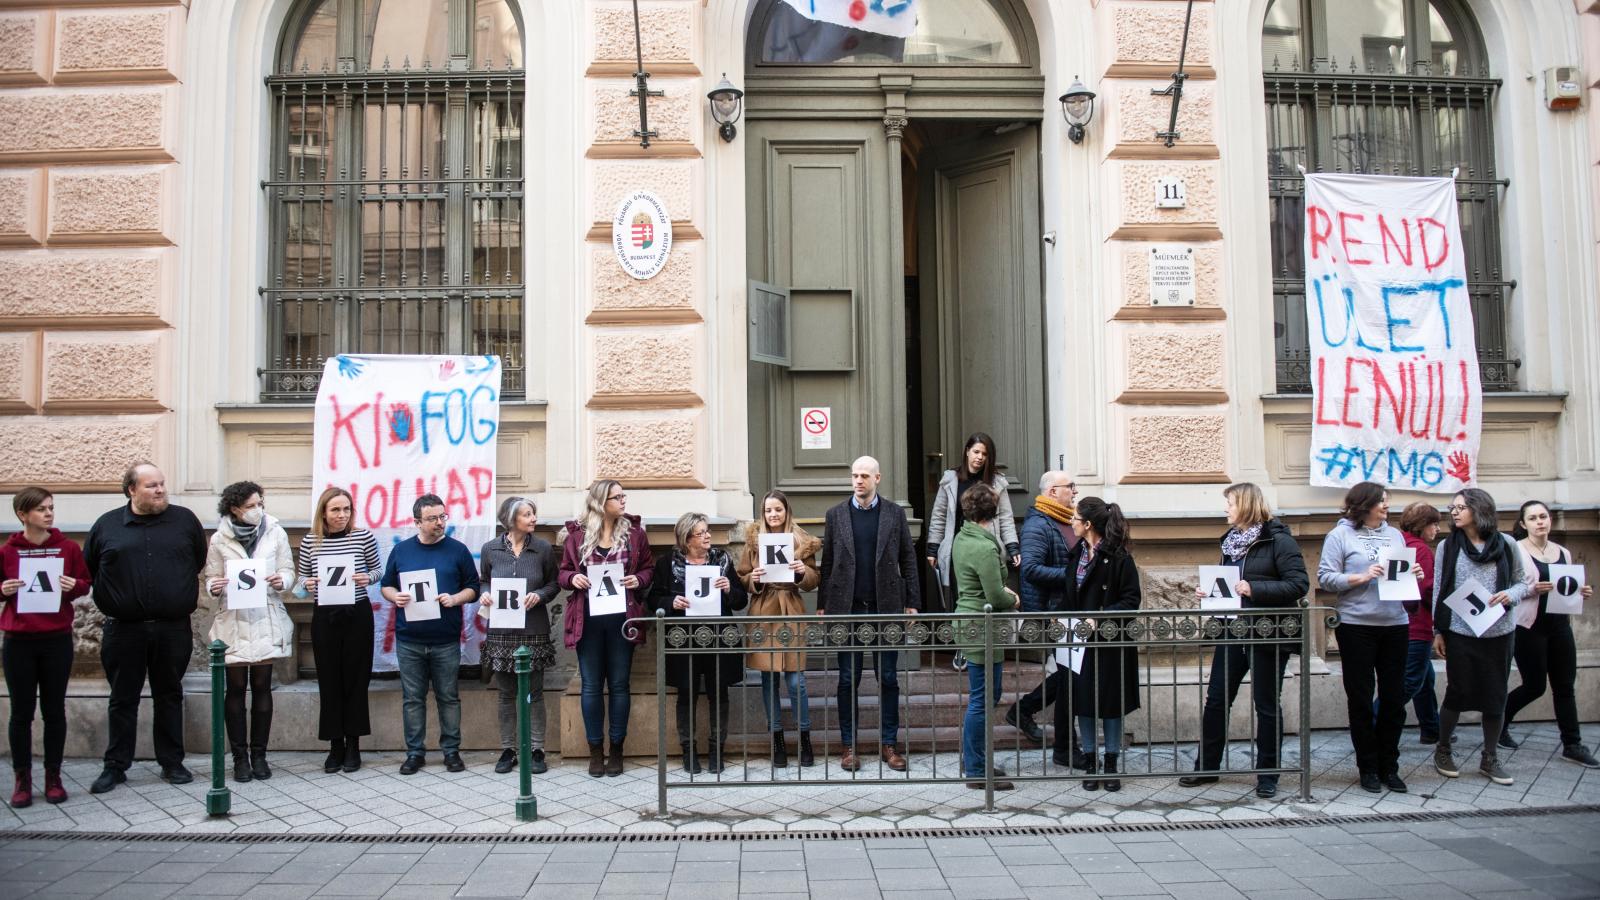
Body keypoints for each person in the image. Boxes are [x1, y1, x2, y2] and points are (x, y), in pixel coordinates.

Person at [1178, 483, 1309, 799]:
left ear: (1247, 505)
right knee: (1217, 700)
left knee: (1265, 704)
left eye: (1230, 503)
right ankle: (1207, 768)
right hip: (1231, 631)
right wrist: (1209, 592)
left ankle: (1268, 774)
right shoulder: (1230, 543)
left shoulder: (1279, 540)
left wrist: (1256, 590)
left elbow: (1299, 584)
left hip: (1266, 634)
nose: (1225, 508)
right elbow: (1230, 587)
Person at [83, 462, 207, 793]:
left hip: (172, 627)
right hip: (125, 629)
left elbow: (198, 559)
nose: (160, 489)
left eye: (162, 483)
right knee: (123, 698)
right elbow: (92, 566)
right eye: (151, 485)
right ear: (131, 490)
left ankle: (172, 763)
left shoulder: (184, 521)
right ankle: (116, 766)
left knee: (169, 694)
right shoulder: (107, 525)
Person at [819, 456, 920, 772]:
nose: (858, 481)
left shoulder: (894, 513)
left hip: (886, 607)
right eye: (854, 475)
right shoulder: (836, 515)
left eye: (864, 476)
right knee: (847, 679)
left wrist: (912, 602)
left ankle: (889, 744)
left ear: (878, 478)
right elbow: (828, 563)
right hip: (847, 609)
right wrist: (823, 604)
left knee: (888, 678)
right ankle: (848, 746)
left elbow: (908, 558)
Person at [1431, 488, 1530, 786]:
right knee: (1457, 692)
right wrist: (1439, 631)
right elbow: (1439, 589)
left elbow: (1522, 583)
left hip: (1499, 632)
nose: (1454, 512)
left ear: (1479, 509)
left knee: (1495, 694)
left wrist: (1509, 595)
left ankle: (1489, 757)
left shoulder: (1507, 544)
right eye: (1453, 507)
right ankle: (1443, 748)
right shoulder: (1448, 547)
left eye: (1461, 507)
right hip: (1461, 632)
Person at [1, 488, 91, 806]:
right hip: (18, 641)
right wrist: (3, 589)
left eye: (51, 508)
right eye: (41, 509)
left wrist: (74, 585)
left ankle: (53, 776)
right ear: (23, 515)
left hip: (56, 639)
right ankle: (22, 779)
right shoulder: (8, 551)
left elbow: (84, 582)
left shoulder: (66, 548)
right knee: (21, 713)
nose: (49, 513)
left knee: (54, 711)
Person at [1318, 481, 1410, 794]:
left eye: (1387, 502)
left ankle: (1390, 766)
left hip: (1395, 623)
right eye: (1381, 502)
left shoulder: (1395, 534)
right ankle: (1368, 768)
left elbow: (1401, 574)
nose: (1386, 506)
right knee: (1360, 699)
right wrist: (1361, 576)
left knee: (1394, 700)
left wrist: (1415, 575)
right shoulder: (1339, 535)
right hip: (1356, 625)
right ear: (1364, 503)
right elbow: (1326, 578)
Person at [559, 479, 654, 778]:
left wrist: (638, 580)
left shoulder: (635, 533)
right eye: (617, 497)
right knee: (590, 685)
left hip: (621, 619)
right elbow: (562, 572)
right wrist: (572, 578)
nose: (623, 501)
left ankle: (617, 749)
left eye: (624, 496)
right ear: (601, 502)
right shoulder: (576, 536)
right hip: (588, 618)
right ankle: (595, 750)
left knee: (619, 685)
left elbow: (648, 569)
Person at [202, 481, 295, 783]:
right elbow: (212, 576)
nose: (258, 509)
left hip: (265, 616)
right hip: (234, 619)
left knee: (263, 687)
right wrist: (213, 586)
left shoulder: (275, 532)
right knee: (236, 689)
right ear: (235, 509)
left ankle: (260, 755)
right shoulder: (219, 539)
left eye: (260, 503)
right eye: (252, 505)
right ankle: (239, 757)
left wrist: (282, 580)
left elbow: (288, 570)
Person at [379, 493, 479, 775]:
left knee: (448, 696)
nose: (439, 523)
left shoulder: (458, 550)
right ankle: (414, 753)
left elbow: (473, 587)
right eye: (432, 518)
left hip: (445, 639)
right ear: (417, 522)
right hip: (409, 639)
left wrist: (455, 599)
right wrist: (394, 596)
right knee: (413, 698)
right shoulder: (401, 551)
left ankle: (451, 752)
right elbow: (386, 585)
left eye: (442, 516)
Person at [649, 513, 749, 774]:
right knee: (686, 693)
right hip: (683, 639)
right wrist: (671, 602)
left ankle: (717, 750)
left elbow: (740, 601)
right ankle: (688, 751)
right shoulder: (667, 564)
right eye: (701, 532)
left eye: (707, 531)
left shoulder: (722, 560)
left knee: (719, 693)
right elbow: (653, 599)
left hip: (719, 637)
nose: (707, 536)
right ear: (686, 538)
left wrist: (729, 588)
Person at [1503, 500, 1597, 767]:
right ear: (1523, 524)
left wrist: (1581, 591)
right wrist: (1533, 590)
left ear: (1550, 520)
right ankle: (1499, 722)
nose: (1540, 522)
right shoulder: (1516, 551)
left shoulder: (1563, 552)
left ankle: (1572, 744)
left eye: (1543, 516)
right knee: (1534, 686)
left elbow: (1566, 587)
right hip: (1529, 627)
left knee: (1565, 686)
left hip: (1559, 626)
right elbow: (1507, 589)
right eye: (1533, 518)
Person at [1057, 496, 1140, 792]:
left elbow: (1131, 600)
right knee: (1084, 703)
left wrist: (1100, 617)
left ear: (1088, 524)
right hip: (1079, 641)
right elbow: (1069, 596)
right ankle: (1091, 761)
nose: (1071, 522)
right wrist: (1058, 619)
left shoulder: (1118, 557)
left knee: (1111, 704)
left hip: (1109, 642)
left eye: (1075, 519)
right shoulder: (1075, 553)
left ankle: (1111, 764)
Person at [1005, 470, 1086, 769]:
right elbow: (1032, 570)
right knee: (1070, 678)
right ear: (1053, 491)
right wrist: (1074, 576)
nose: (1074, 492)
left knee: (1069, 675)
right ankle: (1065, 746)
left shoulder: (1065, 519)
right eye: (1070, 487)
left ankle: (1024, 711)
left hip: (1068, 611)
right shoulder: (1039, 524)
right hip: (1052, 613)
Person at [297, 486, 381, 773]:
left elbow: (378, 570)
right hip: (325, 616)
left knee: (356, 681)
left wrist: (366, 578)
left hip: (357, 614)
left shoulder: (363, 537)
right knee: (329, 681)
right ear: (323, 512)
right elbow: (301, 580)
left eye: (346, 509)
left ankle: (354, 746)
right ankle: (335, 746)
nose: (342, 515)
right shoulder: (311, 541)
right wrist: (306, 584)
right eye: (335, 509)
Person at [736, 490, 819, 768]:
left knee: (797, 682)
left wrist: (800, 572)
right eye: (768, 510)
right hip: (763, 611)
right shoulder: (753, 542)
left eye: (778, 510)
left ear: (786, 511)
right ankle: (777, 740)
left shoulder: (801, 540)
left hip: (791, 610)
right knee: (769, 679)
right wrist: (754, 579)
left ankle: (805, 738)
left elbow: (812, 579)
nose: (773, 515)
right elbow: (742, 577)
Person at [478, 496, 559, 775]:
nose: (533, 519)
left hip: (533, 629)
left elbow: (554, 583)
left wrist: (540, 595)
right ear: (511, 519)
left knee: (534, 693)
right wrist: (485, 593)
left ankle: (537, 749)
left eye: (533, 513)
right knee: (505, 694)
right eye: (527, 514)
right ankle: (507, 749)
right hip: (501, 631)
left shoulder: (543, 549)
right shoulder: (490, 549)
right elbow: (484, 580)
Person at [952, 484, 1018, 791]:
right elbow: (995, 594)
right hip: (983, 628)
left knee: (982, 697)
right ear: (993, 512)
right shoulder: (984, 546)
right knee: (983, 698)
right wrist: (1013, 598)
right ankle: (977, 770)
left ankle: (975, 760)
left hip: (969, 622)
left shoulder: (963, 538)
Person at [925, 432, 1019, 611]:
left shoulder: (997, 482)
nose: (980, 457)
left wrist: (1012, 545)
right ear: (967, 451)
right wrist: (933, 548)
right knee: (959, 594)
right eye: (976, 452)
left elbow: (1005, 517)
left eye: (984, 454)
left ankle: (987, 635)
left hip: (986, 547)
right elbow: (939, 516)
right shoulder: (950, 479)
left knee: (989, 593)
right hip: (957, 547)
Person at [1395, 502, 1443, 745]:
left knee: (1426, 679)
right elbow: (1426, 589)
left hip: (1404, 623)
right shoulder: (1421, 550)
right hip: (1418, 625)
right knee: (1410, 681)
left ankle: (1432, 729)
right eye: (1434, 524)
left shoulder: (1399, 543)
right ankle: (1375, 720)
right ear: (1422, 526)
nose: (1437, 529)